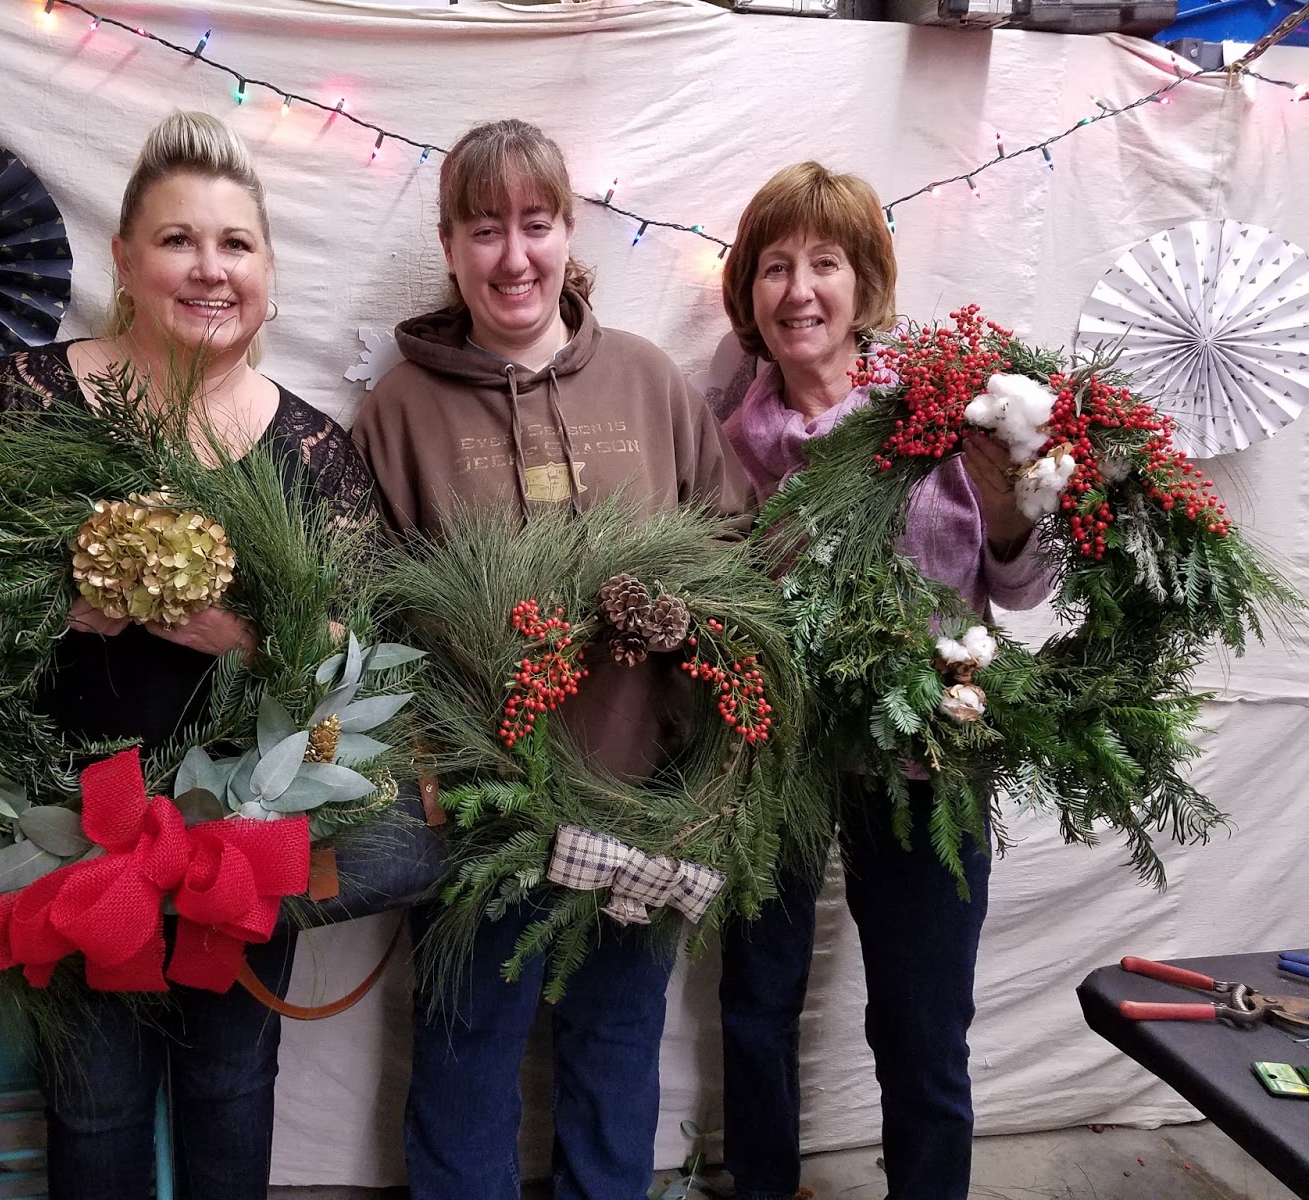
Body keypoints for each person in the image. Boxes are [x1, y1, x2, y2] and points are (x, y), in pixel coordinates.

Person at [0, 111, 370, 1200]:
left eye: (236, 244)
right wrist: (58, 609)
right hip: (67, 837)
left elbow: (360, 655)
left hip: (242, 841)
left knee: (232, 1086)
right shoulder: (25, 403)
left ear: (268, 269)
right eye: (178, 240)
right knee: (93, 1103)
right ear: (125, 258)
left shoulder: (312, 451)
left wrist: (237, 638)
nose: (209, 268)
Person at [353, 118, 749, 1200]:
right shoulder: (398, 410)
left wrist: (691, 678)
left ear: (569, 233)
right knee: (465, 1053)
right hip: (477, 818)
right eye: (485, 229)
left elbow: (731, 563)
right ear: (447, 245)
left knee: (617, 1050)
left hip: (642, 804)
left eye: (535, 224)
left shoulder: (648, 382)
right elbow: (365, 621)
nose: (512, 256)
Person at [713, 161, 1053, 1200]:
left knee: (920, 1024)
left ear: (864, 282)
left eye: (825, 263)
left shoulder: (941, 411)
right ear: (747, 291)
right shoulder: (729, 439)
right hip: (777, 753)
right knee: (753, 1005)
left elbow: (1025, 587)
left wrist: (1004, 509)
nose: (799, 290)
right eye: (775, 266)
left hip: (930, 749)